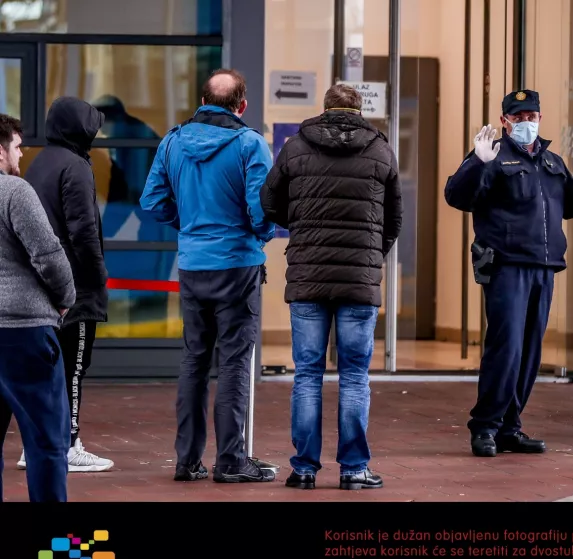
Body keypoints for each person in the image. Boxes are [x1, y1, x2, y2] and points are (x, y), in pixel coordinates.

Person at [260, 83, 402, 491]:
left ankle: (304, 469)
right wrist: (371, 255)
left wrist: (302, 227)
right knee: (355, 375)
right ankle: (354, 469)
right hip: (359, 280)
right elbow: (393, 219)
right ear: (359, 110)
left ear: (324, 109)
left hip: (308, 276)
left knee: (307, 373)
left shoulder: (295, 147)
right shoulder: (380, 150)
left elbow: (269, 202)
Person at [444, 89, 573, 458]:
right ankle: (485, 426)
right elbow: (458, 197)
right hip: (506, 265)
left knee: (529, 352)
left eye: (532, 116)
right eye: (518, 117)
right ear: (504, 121)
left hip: (544, 265)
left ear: (540, 118)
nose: (526, 122)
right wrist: (476, 164)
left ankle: (509, 428)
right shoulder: (493, 155)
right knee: (507, 348)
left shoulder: (552, 161)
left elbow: (571, 206)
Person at [141, 68, 276, 483]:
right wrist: (260, 235)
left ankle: (187, 460)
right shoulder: (251, 144)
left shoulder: (172, 141)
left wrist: (189, 226)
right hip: (237, 265)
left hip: (193, 265)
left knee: (194, 360)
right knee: (234, 362)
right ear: (242, 106)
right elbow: (261, 212)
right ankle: (231, 460)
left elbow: (152, 201)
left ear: (202, 101)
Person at [21, 96, 114, 473]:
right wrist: (97, 278)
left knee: (45, 370)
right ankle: (69, 443)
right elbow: (83, 231)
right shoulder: (75, 165)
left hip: (44, 284)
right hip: (75, 288)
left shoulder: (41, 162)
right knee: (74, 367)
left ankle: (37, 444)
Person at [0, 113, 76, 501]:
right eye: (16, 146)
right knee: (46, 442)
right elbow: (48, 256)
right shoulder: (15, 191)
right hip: (23, 333)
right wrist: (65, 300)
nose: (21, 153)